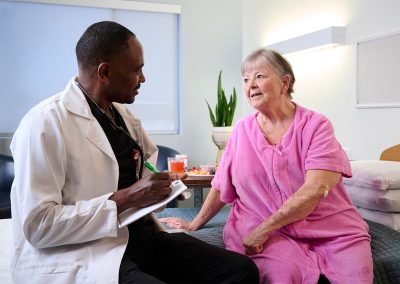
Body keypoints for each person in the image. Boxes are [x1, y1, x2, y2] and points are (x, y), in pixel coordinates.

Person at [9, 21, 259, 284]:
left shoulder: (122, 116)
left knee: (241, 270)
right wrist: (125, 198)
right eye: (137, 69)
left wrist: (158, 188)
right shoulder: (44, 124)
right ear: (104, 72)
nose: (143, 78)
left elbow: (142, 167)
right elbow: (39, 226)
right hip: (86, 249)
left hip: (140, 237)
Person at [160, 48, 373, 283]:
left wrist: (264, 229)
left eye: (259, 76)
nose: (250, 84)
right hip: (260, 224)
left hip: (329, 228)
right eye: (245, 79)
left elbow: (315, 189)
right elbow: (222, 184)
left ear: (284, 83)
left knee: (357, 275)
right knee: (282, 275)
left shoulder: (316, 125)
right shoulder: (241, 130)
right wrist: (193, 224)